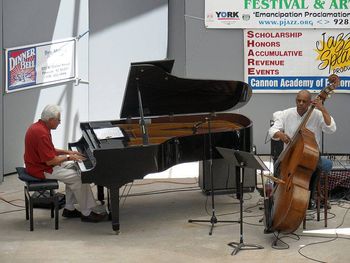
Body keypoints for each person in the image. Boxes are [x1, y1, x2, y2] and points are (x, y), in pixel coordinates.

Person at [24, 104, 106, 222]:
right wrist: (69, 157)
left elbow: (49, 150)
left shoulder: (38, 127)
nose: (60, 122)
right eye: (58, 120)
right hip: (41, 170)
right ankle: (87, 213)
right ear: (50, 120)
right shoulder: (42, 133)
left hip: (38, 165)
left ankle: (69, 208)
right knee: (80, 177)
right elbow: (50, 161)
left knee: (75, 168)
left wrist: (68, 152)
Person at [268, 90, 336, 208]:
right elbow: (272, 130)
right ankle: (278, 200)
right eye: (298, 100)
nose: (300, 103)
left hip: (311, 155)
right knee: (279, 169)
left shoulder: (317, 114)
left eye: (304, 101)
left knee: (316, 167)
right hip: (290, 153)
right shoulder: (286, 113)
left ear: (310, 102)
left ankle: (309, 199)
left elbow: (331, 129)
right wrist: (280, 134)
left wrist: (322, 109)